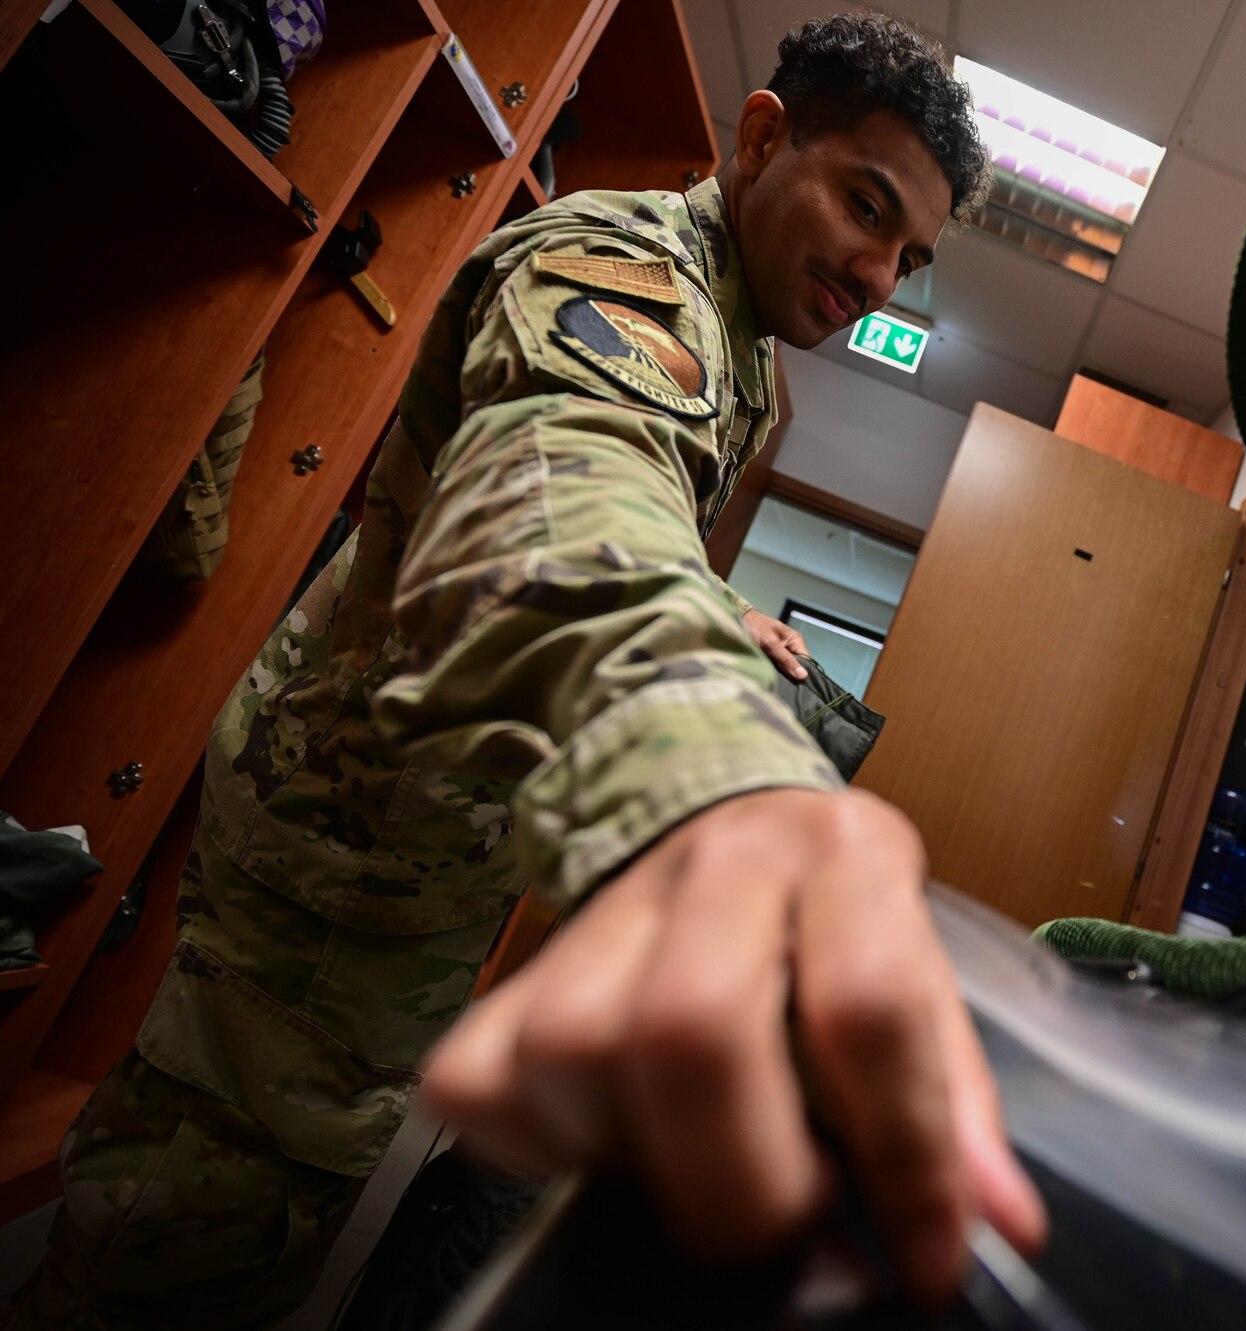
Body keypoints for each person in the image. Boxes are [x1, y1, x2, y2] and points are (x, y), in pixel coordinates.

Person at [11, 14, 1044, 1328]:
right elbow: (561, 497)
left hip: (418, 859)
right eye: (865, 205)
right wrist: (726, 794)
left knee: (272, 1226)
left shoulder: (743, 347)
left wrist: (715, 613)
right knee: (180, 1252)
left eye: (911, 254)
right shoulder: (620, 265)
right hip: (345, 866)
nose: (883, 273)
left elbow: (622, 498)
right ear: (765, 136)